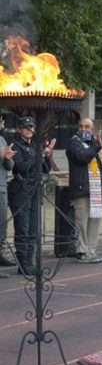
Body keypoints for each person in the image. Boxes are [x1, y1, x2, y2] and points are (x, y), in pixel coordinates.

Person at [66, 118, 102, 264]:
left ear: (92, 129)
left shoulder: (95, 143)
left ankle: (91, 250)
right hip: (81, 189)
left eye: (87, 126)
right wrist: (96, 146)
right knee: (82, 221)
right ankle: (82, 251)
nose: (84, 129)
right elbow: (83, 157)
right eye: (81, 126)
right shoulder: (74, 143)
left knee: (95, 221)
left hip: (96, 190)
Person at [8, 116, 52, 275]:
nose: (29, 130)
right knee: (23, 229)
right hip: (21, 188)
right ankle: (23, 263)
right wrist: (38, 155)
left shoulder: (34, 146)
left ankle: (29, 261)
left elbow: (46, 169)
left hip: (34, 187)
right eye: (26, 127)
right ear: (20, 128)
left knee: (34, 228)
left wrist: (46, 156)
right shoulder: (15, 146)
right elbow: (20, 167)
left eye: (31, 127)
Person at [0, 115, 15, 274]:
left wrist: (8, 158)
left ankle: (0, 254)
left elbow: (8, 165)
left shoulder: (2, 140)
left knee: (2, 225)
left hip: (2, 185)